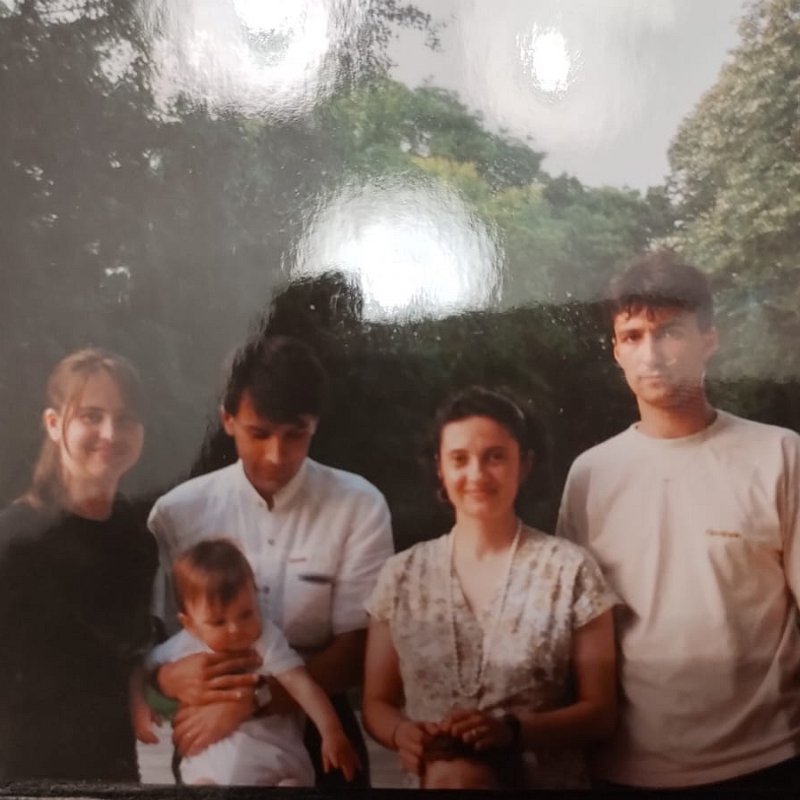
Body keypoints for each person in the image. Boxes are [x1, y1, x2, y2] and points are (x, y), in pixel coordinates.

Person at [557, 250, 800, 790]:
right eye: (633, 336)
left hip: (769, 759)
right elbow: (574, 634)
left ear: (708, 340)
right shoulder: (590, 475)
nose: (651, 354)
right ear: (617, 351)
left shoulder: (780, 455)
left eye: (669, 332)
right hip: (629, 768)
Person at [148, 335, 393, 787]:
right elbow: (155, 644)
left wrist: (254, 700)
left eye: (295, 434)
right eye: (258, 434)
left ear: (315, 425)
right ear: (227, 420)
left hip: (318, 719)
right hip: (208, 729)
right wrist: (167, 681)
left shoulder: (358, 505)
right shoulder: (177, 512)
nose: (276, 456)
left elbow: (358, 652)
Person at [363, 386, 617, 789]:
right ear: (440, 468)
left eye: (495, 457)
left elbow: (601, 712)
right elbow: (376, 702)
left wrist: (515, 731)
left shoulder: (569, 570)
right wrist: (400, 733)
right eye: (459, 459)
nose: (477, 475)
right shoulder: (402, 575)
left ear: (525, 465)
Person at [0, 348, 157, 782]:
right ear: (54, 424)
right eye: (91, 416)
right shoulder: (14, 538)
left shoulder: (136, 536)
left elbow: (127, 655)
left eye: (125, 418)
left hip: (112, 773)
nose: (110, 432)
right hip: (22, 776)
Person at [133, 539, 359, 786]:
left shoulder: (266, 640)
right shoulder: (182, 646)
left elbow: (302, 685)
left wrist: (332, 732)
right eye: (218, 622)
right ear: (190, 624)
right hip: (209, 768)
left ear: (256, 597)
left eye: (246, 614)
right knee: (201, 788)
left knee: (291, 787)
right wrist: (139, 708)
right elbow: (142, 669)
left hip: (277, 761)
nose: (235, 629)